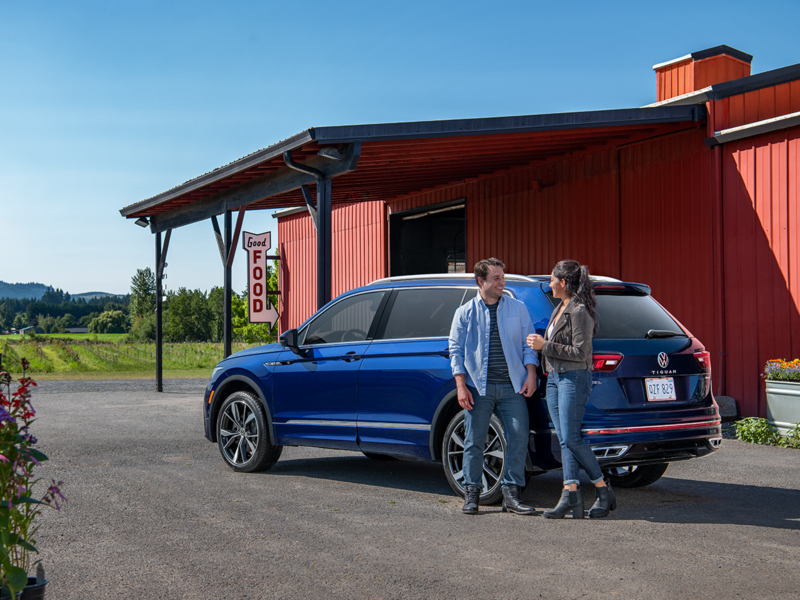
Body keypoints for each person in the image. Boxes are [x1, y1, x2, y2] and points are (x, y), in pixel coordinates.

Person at [449, 258, 539, 515]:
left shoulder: (518, 308)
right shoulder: (464, 312)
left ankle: (511, 495)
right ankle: (472, 494)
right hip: (479, 387)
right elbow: (455, 350)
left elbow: (528, 344)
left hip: (513, 386)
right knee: (474, 441)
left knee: (519, 437)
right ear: (482, 281)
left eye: (503, 277)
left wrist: (531, 374)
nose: (502, 282)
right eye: (496, 278)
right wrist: (461, 385)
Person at [527, 260, 616, 519]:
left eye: (552, 279)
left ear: (563, 283)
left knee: (572, 438)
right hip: (555, 379)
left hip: (573, 379)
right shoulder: (561, 307)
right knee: (565, 439)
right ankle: (570, 496)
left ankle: (603, 489)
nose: (549, 283)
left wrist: (545, 346)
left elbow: (581, 353)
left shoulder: (579, 311)